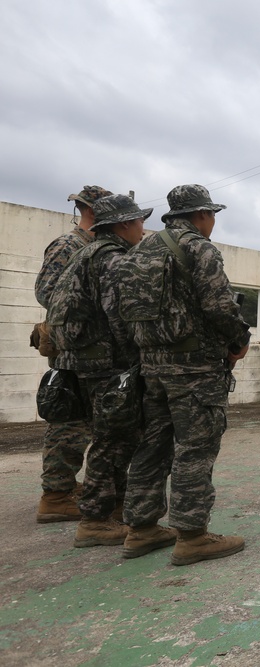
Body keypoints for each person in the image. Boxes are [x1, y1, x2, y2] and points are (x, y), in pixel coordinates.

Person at [118, 184, 251, 565]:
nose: (212, 223)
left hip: (152, 366)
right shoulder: (199, 247)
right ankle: (192, 536)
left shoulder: (139, 249)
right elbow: (219, 305)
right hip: (195, 369)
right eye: (211, 215)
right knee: (195, 448)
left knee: (153, 445)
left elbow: (121, 311)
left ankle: (140, 530)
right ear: (201, 215)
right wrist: (239, 338)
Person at [47, 194, 150, 547]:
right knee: (114, 440)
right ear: (123, 224)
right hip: (105, 364)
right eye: (139, 221)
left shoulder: (85, 253)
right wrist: (138, 361)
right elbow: (120, 318)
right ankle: (95, 519)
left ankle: (115, 509)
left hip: (80, 361)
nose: (142, 227)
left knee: (113, 436)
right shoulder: (113, 259)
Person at [32, 185, 111, 523]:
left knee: (87, 423)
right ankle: (56, 496)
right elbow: (47, 292)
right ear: (92, 210)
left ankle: (64, 487)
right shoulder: (70, 244)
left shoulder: (94, 246)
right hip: (73, 347)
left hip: (90, 348)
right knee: (70, 422)